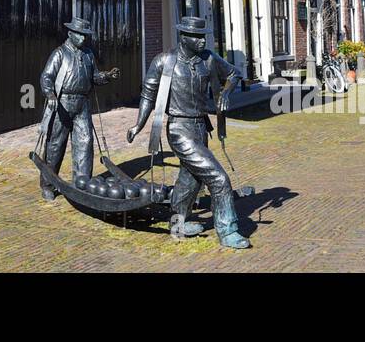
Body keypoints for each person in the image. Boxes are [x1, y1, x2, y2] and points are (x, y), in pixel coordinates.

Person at [127, 15, 250, 249]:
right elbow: (148, 95)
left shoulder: (208, 59)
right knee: (218, 178)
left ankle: (177, 223)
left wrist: (225, 93)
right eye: (197, 37)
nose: (203, 41)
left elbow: (234, 74)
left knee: (190, 180)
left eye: (204, 37)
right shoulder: (164, 61)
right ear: (184, 37)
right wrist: (138, 125)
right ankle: (228, 229)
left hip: (201, 127)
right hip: (179, 129)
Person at [37, 17, 120, 202]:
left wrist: (106, 76)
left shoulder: (88, 54)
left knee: (85, 142)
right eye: (80, 34)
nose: (83, 38)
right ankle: (48, 184)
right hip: (63, 104)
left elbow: (94, 77)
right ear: (70, 34)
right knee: (55, 145)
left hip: (82, 104)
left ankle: (82, 183)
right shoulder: (59, 54)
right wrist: (50, 95)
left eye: (85, 35)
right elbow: (46, 77)